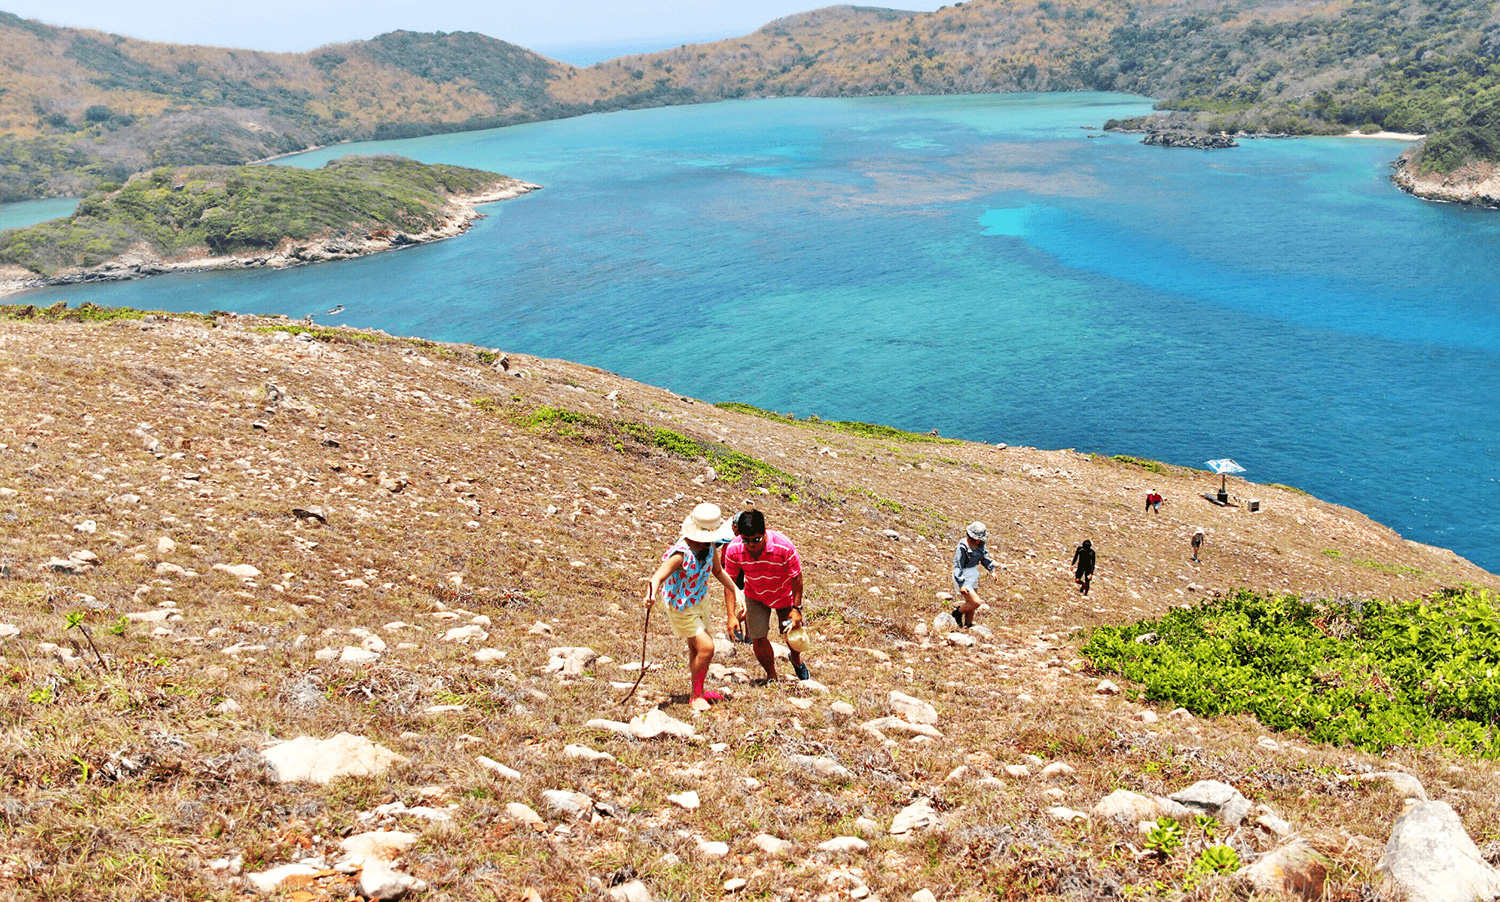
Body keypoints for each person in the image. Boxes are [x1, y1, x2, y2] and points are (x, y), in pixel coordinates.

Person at [642, 503, 739, 712]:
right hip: (682, 607)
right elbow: (658, 576)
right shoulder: (681, 553)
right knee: (707, 647)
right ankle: (696, 695)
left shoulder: (710, 547)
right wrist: (651, 594)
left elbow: (718, 571)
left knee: (696, 648)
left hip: (700, 601)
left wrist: (737, 593)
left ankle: (699, 690)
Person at [723, 509, 809, 682]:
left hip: (784, 596)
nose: (751, 545)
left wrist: (796, 608)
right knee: (758, 638)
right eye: (746, 540)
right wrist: (731, 615)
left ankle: (796, 660)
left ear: (764, 531)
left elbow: (796, 577)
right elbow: (729, 583)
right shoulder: (733, 549)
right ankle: (772, 676)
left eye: (756, 539)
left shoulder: (783, 546)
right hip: (756, 595)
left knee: (793, 634)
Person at [951, 521, 998, 628]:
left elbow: (984, 558)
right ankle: (957, 613)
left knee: (970, 603)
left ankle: (968, 624)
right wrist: (961, 584)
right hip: (963, 575)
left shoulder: (980, 545)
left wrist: (992, 570)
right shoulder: (962, 547)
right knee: (976, 602)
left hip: (973, 573)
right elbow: (958, 566)